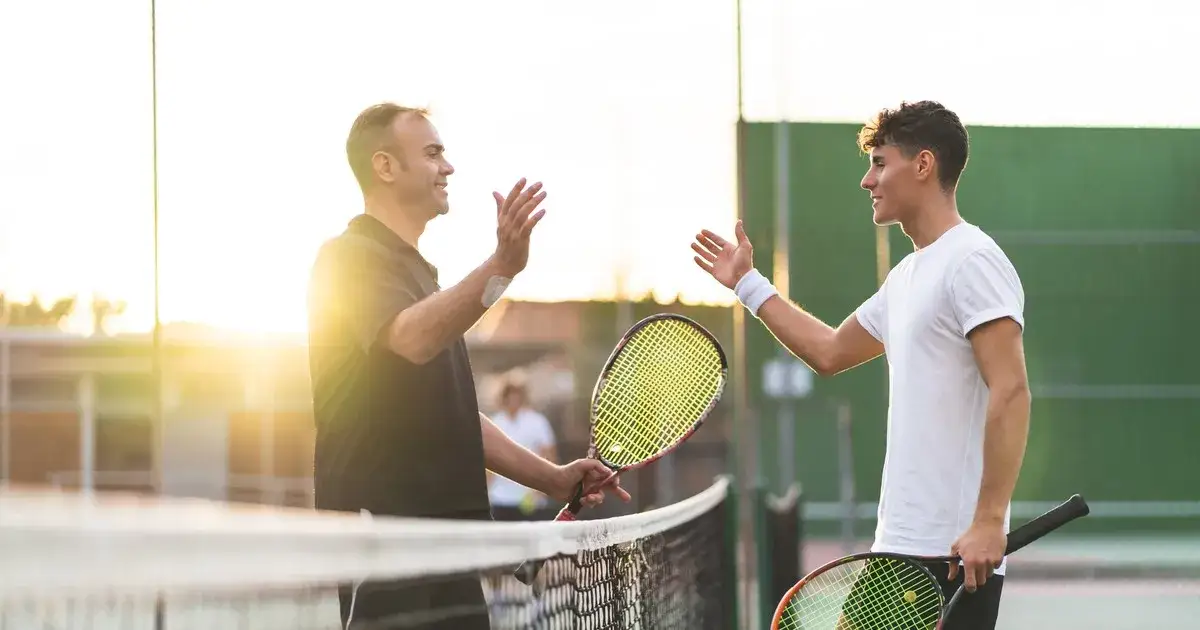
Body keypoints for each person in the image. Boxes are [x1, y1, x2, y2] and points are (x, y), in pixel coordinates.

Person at [691, 101, 1030, 629]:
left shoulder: (974, 260)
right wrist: (747, 285)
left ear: (923, 165)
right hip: (896, 550)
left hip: (950, 560)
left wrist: (989, 521)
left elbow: (1011, 391)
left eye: (879, 162)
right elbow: (828, 351)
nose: (866, 180)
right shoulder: (905, 278)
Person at [307, 102, 631, 630]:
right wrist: (501, 265)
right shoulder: (347, 258)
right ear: (385, 166)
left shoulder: (420, 276)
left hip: (450, 548)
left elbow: (453, 417)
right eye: (433, 153)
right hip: (390, 544)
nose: (448, 167)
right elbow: (410, 339)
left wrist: (552, 478)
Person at [486, 376, 559, 521]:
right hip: (499, 500)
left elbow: (549, 457)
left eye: (517, 395)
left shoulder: (537, 422)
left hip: (531, 502)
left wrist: (539, 492)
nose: (514, 400)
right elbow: (488, 462)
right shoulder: (495, 422)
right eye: (510, 395)